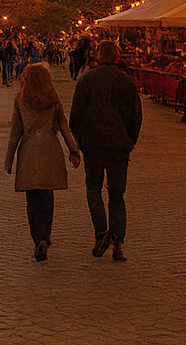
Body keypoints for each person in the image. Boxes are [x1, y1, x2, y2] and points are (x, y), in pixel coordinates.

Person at [69, 40, 142, 262]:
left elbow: (75, 116)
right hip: (119, 147)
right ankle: (117, 242)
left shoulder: (86, 80)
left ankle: (101, 233)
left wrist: (81, 141)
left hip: (94, 146)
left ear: (98, 56)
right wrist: (129, 140)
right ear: (117, 57)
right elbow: (135, 117)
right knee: (117, 195)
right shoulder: (126, 82)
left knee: (94, 189)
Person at [5, 63, 81, 262]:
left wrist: (9, 160)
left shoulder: (20, 100)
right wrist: (74, 151)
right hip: (50, 149)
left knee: (32, 199)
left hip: (29, 151)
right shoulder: (53, 100)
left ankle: (37, 238)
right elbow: (64, 126)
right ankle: (45, 237)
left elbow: (15, 132)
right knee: (47, 197)